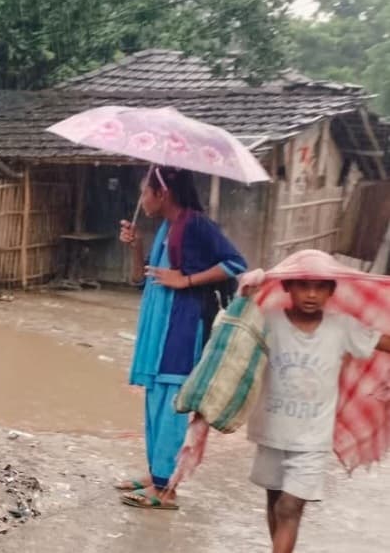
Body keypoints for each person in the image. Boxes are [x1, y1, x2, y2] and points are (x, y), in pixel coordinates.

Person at [116, 166, 246, 510]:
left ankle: (167, 488)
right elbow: (139, 280)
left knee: (172, 402)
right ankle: (157, 474)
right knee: (155, 399)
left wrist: (186, 281)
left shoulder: (196, 224)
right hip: (157, 327)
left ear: (163, 194)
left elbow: (236, 264)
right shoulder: (165, 228)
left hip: (182, 328)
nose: (142, 198)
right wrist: (136, 246)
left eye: (146, 192)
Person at [248, 279, 390, 552]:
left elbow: (381, 342)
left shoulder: (342, 327)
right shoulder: (268, 321)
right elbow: (231, 337)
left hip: (312, 440)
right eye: (303, 286)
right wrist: (245, 295)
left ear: (331, 292)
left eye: (320, 287)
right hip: (271, 433)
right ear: (287, 287)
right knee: (275, 503)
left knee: (290, 507)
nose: (312, 294)